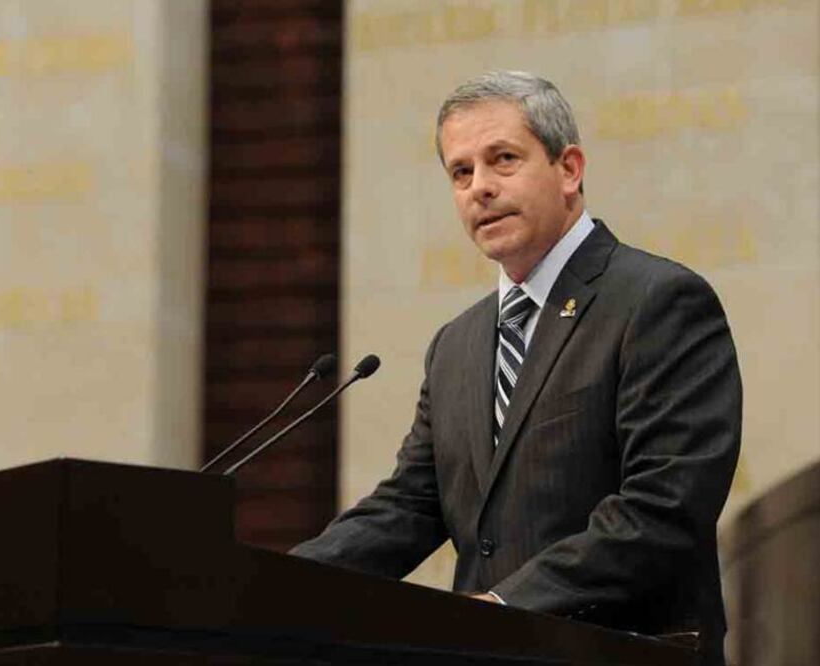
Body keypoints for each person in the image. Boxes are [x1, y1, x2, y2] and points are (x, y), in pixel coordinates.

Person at [290, 71, 741, 665]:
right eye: (461, 171)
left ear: (569, 169)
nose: (480, 187)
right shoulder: (457, 344)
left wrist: (501, 607)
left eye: (503, 159)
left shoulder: (659, 302)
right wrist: (277, 583)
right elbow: (409, 507)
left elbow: (662, 511)